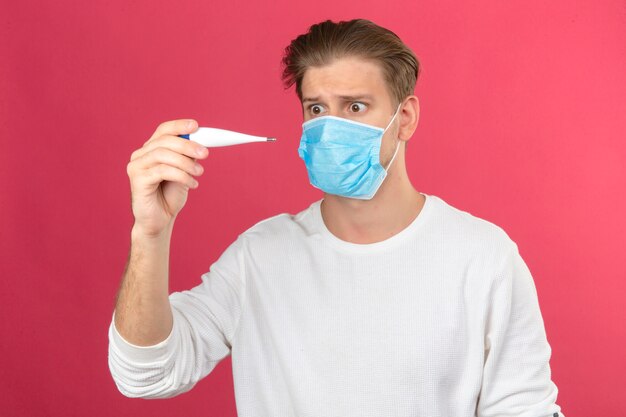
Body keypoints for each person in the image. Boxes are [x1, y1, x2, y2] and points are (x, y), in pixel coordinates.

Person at [108, 18, 565, 417]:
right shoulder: (259, 257)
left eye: (356, 106)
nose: (330, 126)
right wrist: (150, 232)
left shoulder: (483, 258)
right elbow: (146, 375)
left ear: (404, 118)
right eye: (316, 109)